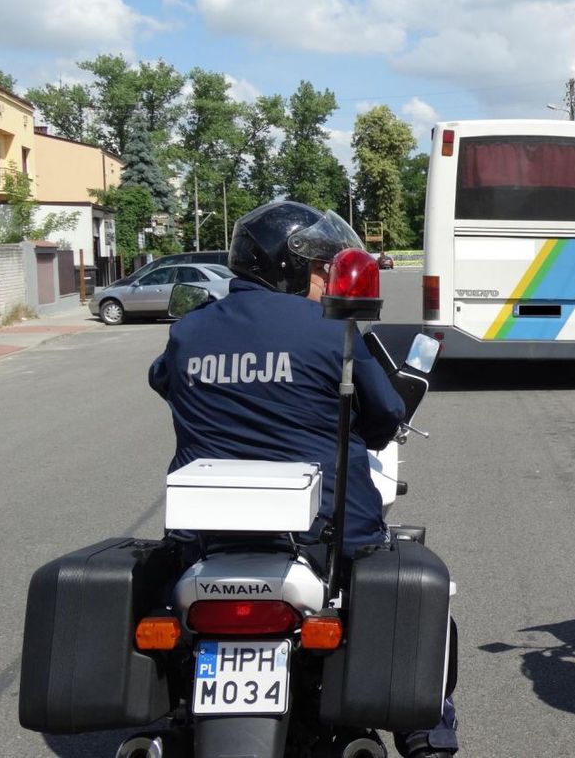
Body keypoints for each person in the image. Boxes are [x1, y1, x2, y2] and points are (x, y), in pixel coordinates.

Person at [149, 200, 458, 758]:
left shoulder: (188, 331)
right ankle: (426, 729)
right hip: (324, 537)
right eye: (320, 269)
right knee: (417, 596)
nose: (326, 281)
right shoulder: (333, 330)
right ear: (286, 267)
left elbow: (162, 381)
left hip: (207, 540)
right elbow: (386, 415)